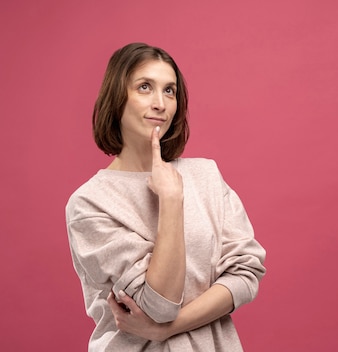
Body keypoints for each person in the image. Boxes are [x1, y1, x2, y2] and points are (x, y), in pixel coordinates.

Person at [65, 42, 267, 351]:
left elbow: (246, 272)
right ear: (116, 97)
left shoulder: (206, 176)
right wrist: (171, 201)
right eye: (144, 87)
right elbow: (158, 305)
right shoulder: (89, 204)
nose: (160, 103)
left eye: (169, 91)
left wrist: (167, 330)